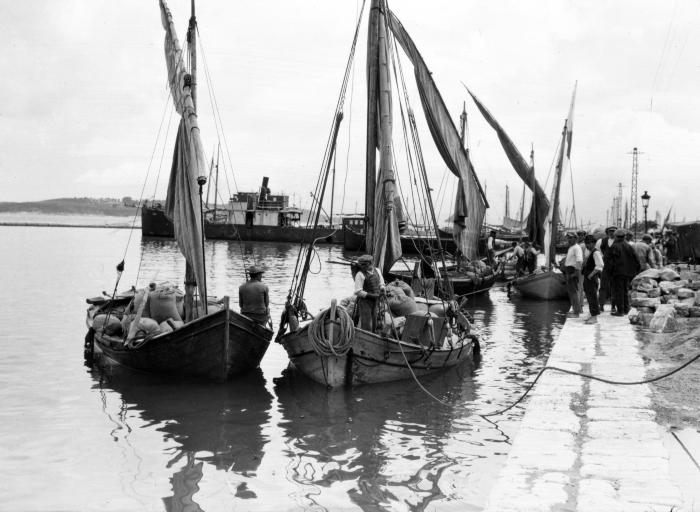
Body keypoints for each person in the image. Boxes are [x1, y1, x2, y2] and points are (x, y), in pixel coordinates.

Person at [604, 229, 641, 316]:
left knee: (618, 292)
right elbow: (637, 260)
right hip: (628, 273)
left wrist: (608, 273)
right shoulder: (629, 246)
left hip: (617, 273)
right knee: (625, 291)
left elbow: (609, 261)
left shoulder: (614, 246)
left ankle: (620, 311)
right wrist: (635, 272)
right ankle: (626, 309)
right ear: (624, 237)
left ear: (616, 237)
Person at [354, 254, 386, 331]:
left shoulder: (377, 271)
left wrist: (382, 288)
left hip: (376, 301)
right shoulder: (360, 274)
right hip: (365, 302)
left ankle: (373, 333)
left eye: (370, 264)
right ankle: (366, 336)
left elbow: (381, 282)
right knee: (367, 323)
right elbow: (358, 291)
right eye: (365, 265)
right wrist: (371, 295)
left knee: (375, 320)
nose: (369, 266)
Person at [560, 232, 583, 317]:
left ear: (575, 239)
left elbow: (579, 260)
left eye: (570, 238)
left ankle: (576, 313)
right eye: (568, 238)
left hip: (572, 270)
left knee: (573, 292)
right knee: (571, 291)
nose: (568, 240)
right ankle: (576, 310)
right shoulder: (572, 248)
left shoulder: (576, 248)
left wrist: (576, 272)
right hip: (569, 270)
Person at [582, 234, 603, 324]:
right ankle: (591, 313)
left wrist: (591, 275)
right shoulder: (590, 252)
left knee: (593, 297)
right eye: (586, 243)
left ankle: (594, 317)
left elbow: (600, 265)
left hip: (591, 278)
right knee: (589, 297)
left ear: (594, 243)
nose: (587, 245)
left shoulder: (596, 252)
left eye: (589, 243)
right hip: (588, 278)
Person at [596, 226, 617, 312]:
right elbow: (599, 253)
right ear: (607, 232)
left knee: (614, 287)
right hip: (605, 267)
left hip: (615, 268)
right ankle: (601, 305)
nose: (611, 233)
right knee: (603, 287)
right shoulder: (602, 241)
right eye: (610, 231)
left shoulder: (618, 242)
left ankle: (613, 306)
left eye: (613, 231)